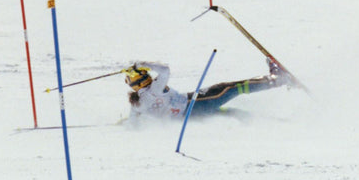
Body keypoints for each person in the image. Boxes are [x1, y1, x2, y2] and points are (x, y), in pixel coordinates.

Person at [124, 57, 292, 119]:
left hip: (188, 118)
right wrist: (144, 63)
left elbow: (133, 123)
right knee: (230, 88)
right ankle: (278, 80)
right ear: (143, 80)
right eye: (145, 75)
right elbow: (165, 69)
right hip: (194, 104)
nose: (150, 77)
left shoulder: (136, 104)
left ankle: (271, 123)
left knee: (229, 115)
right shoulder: (154, 88)